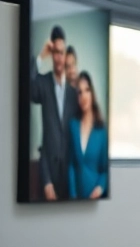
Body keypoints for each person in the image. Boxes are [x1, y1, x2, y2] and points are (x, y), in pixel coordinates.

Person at [30, 25, 81, 200]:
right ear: (52, 54)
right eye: (56, 53)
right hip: (47, 178)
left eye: (62, 52)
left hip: (70, 181)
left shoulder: (74, 94)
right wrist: (39, 57)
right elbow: (27, 89)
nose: (59, 58)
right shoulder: (43, 84)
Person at [67, 72, 108, 200]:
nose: (83, 96)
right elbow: (71, 165)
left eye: (87, 90)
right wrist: (73, 196)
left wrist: (100, 188)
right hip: (76, 199)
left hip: (95, 200)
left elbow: (105, 170)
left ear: (92, 94)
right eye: (80, 92)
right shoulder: (73, 125)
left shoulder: (101, 130)